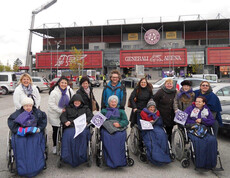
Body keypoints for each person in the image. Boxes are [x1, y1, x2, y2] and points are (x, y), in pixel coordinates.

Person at [8, 97, 47, 177]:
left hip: (35, 133)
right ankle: (23, 168)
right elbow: (12, 124)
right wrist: (19, 130)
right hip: (21, 134)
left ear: (32, 105)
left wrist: (39, 129)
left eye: (30, 105)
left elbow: (43, 122)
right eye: (26, 106)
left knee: (35, 143)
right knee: (21, 144)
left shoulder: (38, 113)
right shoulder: (17, 114)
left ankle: (38, 166)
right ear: (23, 106)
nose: (28, 107)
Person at [60, 94, 93, 167]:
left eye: (78, 101)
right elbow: (62, 116)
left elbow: (91, 116)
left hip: (82, 127)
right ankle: (66, 156)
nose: (77, 103)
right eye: (75, 101)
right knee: (68, 136)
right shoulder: (67, 108)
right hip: (70, 127)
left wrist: (87, 121)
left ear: (81, 102)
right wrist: (65, 121)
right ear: (72, 101)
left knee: (82, 135)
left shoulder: (86, 108)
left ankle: (81, 156)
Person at [184, 96, 217, 169]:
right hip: (193, 129)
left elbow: (212, 121)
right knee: (199, 141)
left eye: (199, 102)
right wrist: (194, 122)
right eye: (196, 101)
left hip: (204, 129)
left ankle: (210, 162)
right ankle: (200, 163)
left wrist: (202, 121)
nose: (197, 103)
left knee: (212, 140)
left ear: (203, 103)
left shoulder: (206, 110)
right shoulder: (190, 109)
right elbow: (184, 119)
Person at [139, 100, 171, 165]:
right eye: (151, 107)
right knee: (151, 139)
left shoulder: (157, 112)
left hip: (157, 127)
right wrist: (149, 122)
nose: (152, 109)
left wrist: (155, 121)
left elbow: (160, 122)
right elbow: (141, 123)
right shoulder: (143, 113)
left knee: (162, 135)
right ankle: (155, 157)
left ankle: (165, 155)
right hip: (147, 129)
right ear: (148, 107)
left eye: (153, 107)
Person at [100, 95, 129, 168]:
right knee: (107, 137)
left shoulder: (121, 111)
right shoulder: (104, 111)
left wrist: (120, 124)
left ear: (117, 103)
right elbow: (98, 121)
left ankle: (120, 161)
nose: (113, 103)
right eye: (111, 102)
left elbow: (126, 121)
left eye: (115, 102)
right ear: (109, 103)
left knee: (119, 137)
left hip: (118, 129)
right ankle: (109, 161)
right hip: (107, 129)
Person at [48, 76, 74, 154]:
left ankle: (64, 145)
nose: (63, 84)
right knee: (55, 130)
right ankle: (55, 146)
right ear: (59, 83)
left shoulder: (70, 90)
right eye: (62, 82)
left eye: (65, 83)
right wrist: (60, 110)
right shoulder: (54, 92)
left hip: (66, 114)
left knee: (65, 129)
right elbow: (51, 104)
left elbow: (73, 100)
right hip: (55, 114)